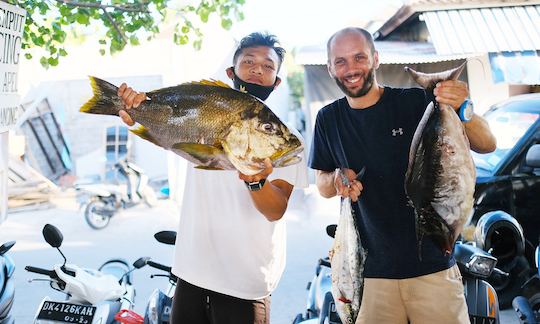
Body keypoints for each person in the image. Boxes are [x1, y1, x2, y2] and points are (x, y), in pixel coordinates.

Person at [117, 32, 308, 324]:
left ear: (277, 81)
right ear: (232, 72)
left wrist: (255, 181)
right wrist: (137, 111)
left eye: (268, 66)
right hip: (191, 270)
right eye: (249, 62)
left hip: (245, 280)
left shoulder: (282, 138)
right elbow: (169, 132)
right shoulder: (206, 112)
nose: (258, 69)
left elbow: (276, 209)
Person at [309, 27, 496, 324]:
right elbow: (322, 182)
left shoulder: (416, 101)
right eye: (340, 61)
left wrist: (464, 108)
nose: (351, 68)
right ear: (329, 67)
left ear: (376, 59)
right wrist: (336, 180)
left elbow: (487, 144)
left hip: (434, 268)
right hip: (369, 276)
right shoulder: (328, 119)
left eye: (359, 57)